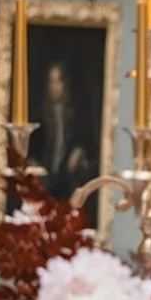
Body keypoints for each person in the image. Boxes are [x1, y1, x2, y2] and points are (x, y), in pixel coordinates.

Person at [27, 59, 94, 200]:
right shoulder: (40, 118)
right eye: (51, 82)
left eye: (58, 81)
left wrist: (79, 151)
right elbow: (33, 152)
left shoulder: (76, 116)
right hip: (46, 177)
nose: (54, 86)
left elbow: (86, 143)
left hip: (68, 177)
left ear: (65, 84)